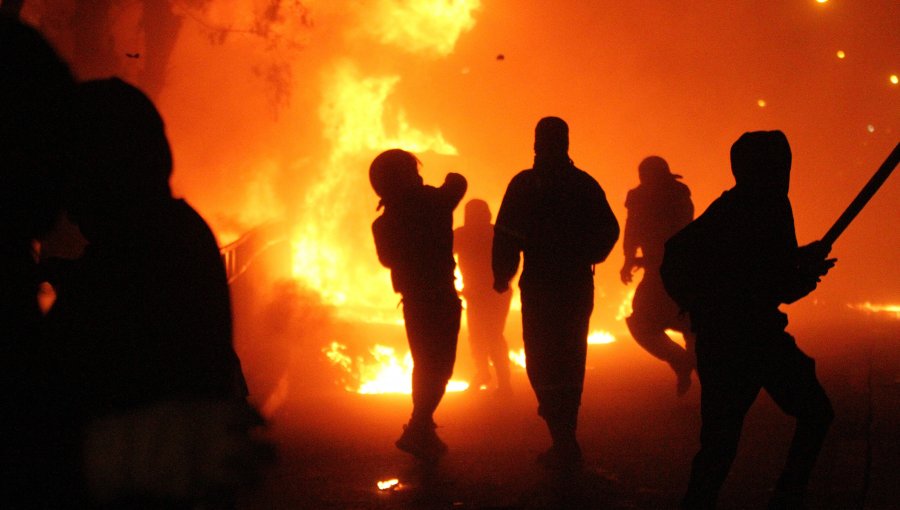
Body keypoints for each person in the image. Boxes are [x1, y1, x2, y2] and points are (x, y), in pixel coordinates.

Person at [42, 77, 268, 507]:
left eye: (73, 172)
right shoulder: (174, 232)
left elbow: (83, 363)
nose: (68, 203)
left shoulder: (147, 248)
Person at [661, 130, 835, 510]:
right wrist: (803, 275)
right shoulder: (754, 209)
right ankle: (785, 496)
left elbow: (770, 267)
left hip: (739, 338)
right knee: (730, 441)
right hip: (743, 340)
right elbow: (771, 281)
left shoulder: (746, 205)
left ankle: (778, 496)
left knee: (723, 444)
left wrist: (803, 260)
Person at [493, 117, 619, 470]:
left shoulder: (526, 185)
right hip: (573, 284)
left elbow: (506, 235)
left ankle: (563, 439)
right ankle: (564, 435)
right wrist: (586, 254)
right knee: (567, 358)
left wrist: (502, 273)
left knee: (544, 359)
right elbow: (608, 230)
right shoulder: (582, 184)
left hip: (544, 283)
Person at [369, 149, 467, 461]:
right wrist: (424, 189)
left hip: (413, 300)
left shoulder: (383, 224)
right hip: (439, 296)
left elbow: (387, 260)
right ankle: (419, 425)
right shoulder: (432, 203)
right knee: (439, 366)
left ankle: (422, 427)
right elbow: (458, 182)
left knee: (425, 362)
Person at [620, 156, 696, 395]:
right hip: (672, 271)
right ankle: (687, 363)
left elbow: (678, 236)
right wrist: (632, 259)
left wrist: (635, 260)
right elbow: (633, 233)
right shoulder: (651, 199)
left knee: (652, 324)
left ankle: (688, 364)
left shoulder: (676, 198)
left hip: (674, 272)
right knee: (685, 325)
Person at [454, 199, 513, 395]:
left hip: (491, 292)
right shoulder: (498, 233)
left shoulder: (465, 234)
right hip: (482, 292)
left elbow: (442, 256)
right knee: (480, 336)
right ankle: (486, 375)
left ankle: (501, 382)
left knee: (490, 335)